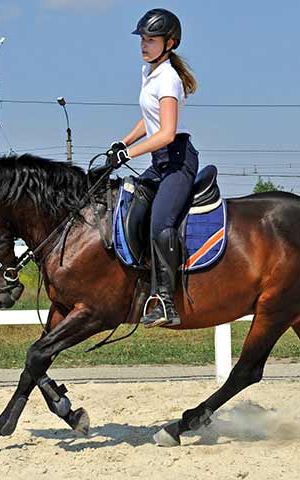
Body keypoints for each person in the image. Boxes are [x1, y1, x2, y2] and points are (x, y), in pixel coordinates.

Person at [106, 8, 199, 328]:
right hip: (159, 163)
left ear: (169, 43)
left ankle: (164, 300)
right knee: (127, 206)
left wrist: (128, 154)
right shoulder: (150, 73)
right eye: (142, 39)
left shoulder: (169, 78)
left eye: (151, 40)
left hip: (177, 162)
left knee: (161, 223)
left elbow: (166, 132)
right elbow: (149, 120)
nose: (144, 45)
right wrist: (123, 141)